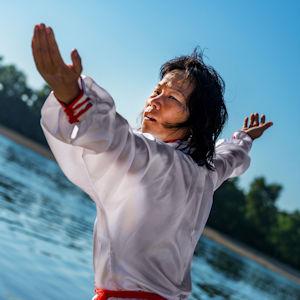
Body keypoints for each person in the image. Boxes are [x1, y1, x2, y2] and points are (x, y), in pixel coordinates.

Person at [31, 23, 273, 300]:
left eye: (172, 97)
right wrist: (245, 137)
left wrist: (72, 96)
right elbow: (231, 156)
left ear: (194, 121)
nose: (155, 100)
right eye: (158, 90)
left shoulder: (159, 161)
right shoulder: (206, 171)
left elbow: (115, 138)